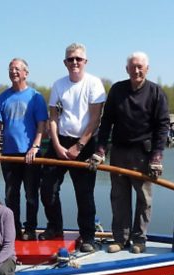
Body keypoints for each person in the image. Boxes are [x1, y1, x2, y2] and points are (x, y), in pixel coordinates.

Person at [91, 51, 170, 254]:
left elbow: (162, 126)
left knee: (144, 199)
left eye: (140, 67)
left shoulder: (156, 92)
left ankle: (139, 239)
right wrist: (100, 150)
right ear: (127, 69)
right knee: (119, 197)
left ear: (147, 69)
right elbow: (106, 122)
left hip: (143, 155)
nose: (136, 70)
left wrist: (157, 157)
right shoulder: (117, 90)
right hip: (118, 152)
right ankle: (120, 238)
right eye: (132, 67)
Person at [40, 43, 106, 252]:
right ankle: (55, 228)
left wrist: (79, 146)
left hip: (85, 145)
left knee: (84, 194)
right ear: (65, 62)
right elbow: (53, 117)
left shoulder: (94, 84)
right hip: (60, 142)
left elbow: (95, 119)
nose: (74, 62)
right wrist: (57, 145)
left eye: (78, 59)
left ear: (85, 61)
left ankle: (88, 236)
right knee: (48, 188)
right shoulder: (58, 85)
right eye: (70, 59)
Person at [0, 58, 48, 240]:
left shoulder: (35, 97)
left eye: (17, 69)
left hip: (31, 155)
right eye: (10, 69)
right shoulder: (3, 97)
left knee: (31, 194)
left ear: (25, 73)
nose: (13, 72)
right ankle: (13, 229)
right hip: (9, 155)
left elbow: (42, 125)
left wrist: (35, 146)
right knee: (11, 195)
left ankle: (30, 229)